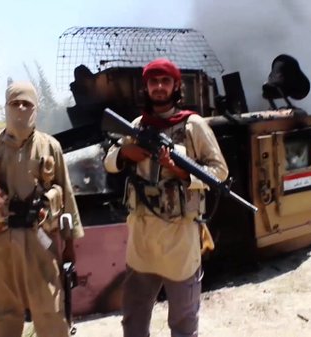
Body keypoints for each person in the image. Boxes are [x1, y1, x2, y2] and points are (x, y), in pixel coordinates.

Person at [103, 58, 229, 337]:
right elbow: (109, 162)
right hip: (143, 235)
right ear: (146, 88)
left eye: (165, 81)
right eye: (153, 82)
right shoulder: (137, 125)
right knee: (134, 318)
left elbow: (219, 171)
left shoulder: (193, 125)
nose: (159, 87)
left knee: (183, 321)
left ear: (176, 86)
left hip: (179, 235)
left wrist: (180, 171)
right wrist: (125, 154)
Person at [0, 81, 84, 337]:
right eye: (15, 103)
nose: (21, 108)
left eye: (27, 104)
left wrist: (69, 246)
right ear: (6, 107)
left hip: (41, 243)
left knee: (51, 313)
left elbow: (67, 196)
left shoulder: (50, 147)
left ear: (36, 108)